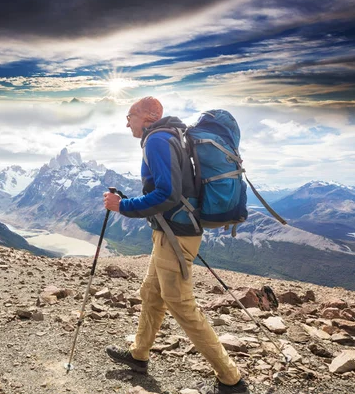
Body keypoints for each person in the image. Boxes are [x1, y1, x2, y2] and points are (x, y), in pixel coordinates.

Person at [103, 97, 249, 394]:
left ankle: (231, 379)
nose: (126, 121)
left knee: (180, 303)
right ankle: (138, 354)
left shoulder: (156, 139)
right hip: (171, 231)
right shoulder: (168, 137)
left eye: (129, 115)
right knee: (151, 293)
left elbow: (167, 194)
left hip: (176, 234)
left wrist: (123, 206)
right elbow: (171, 189)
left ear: (149, 116)